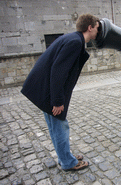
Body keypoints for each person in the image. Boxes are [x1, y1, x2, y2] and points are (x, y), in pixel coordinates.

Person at [21, 14, 100, 171]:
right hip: (49, 92)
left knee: (55, 127)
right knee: (60, 126)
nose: (98, 32)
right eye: (97, 28)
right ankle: (68, 162)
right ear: (90, 28)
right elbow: (58, 72)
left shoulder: (71, 38)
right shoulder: (75, 43)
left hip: (44, 89)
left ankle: (65, 155)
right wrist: (57, 101)